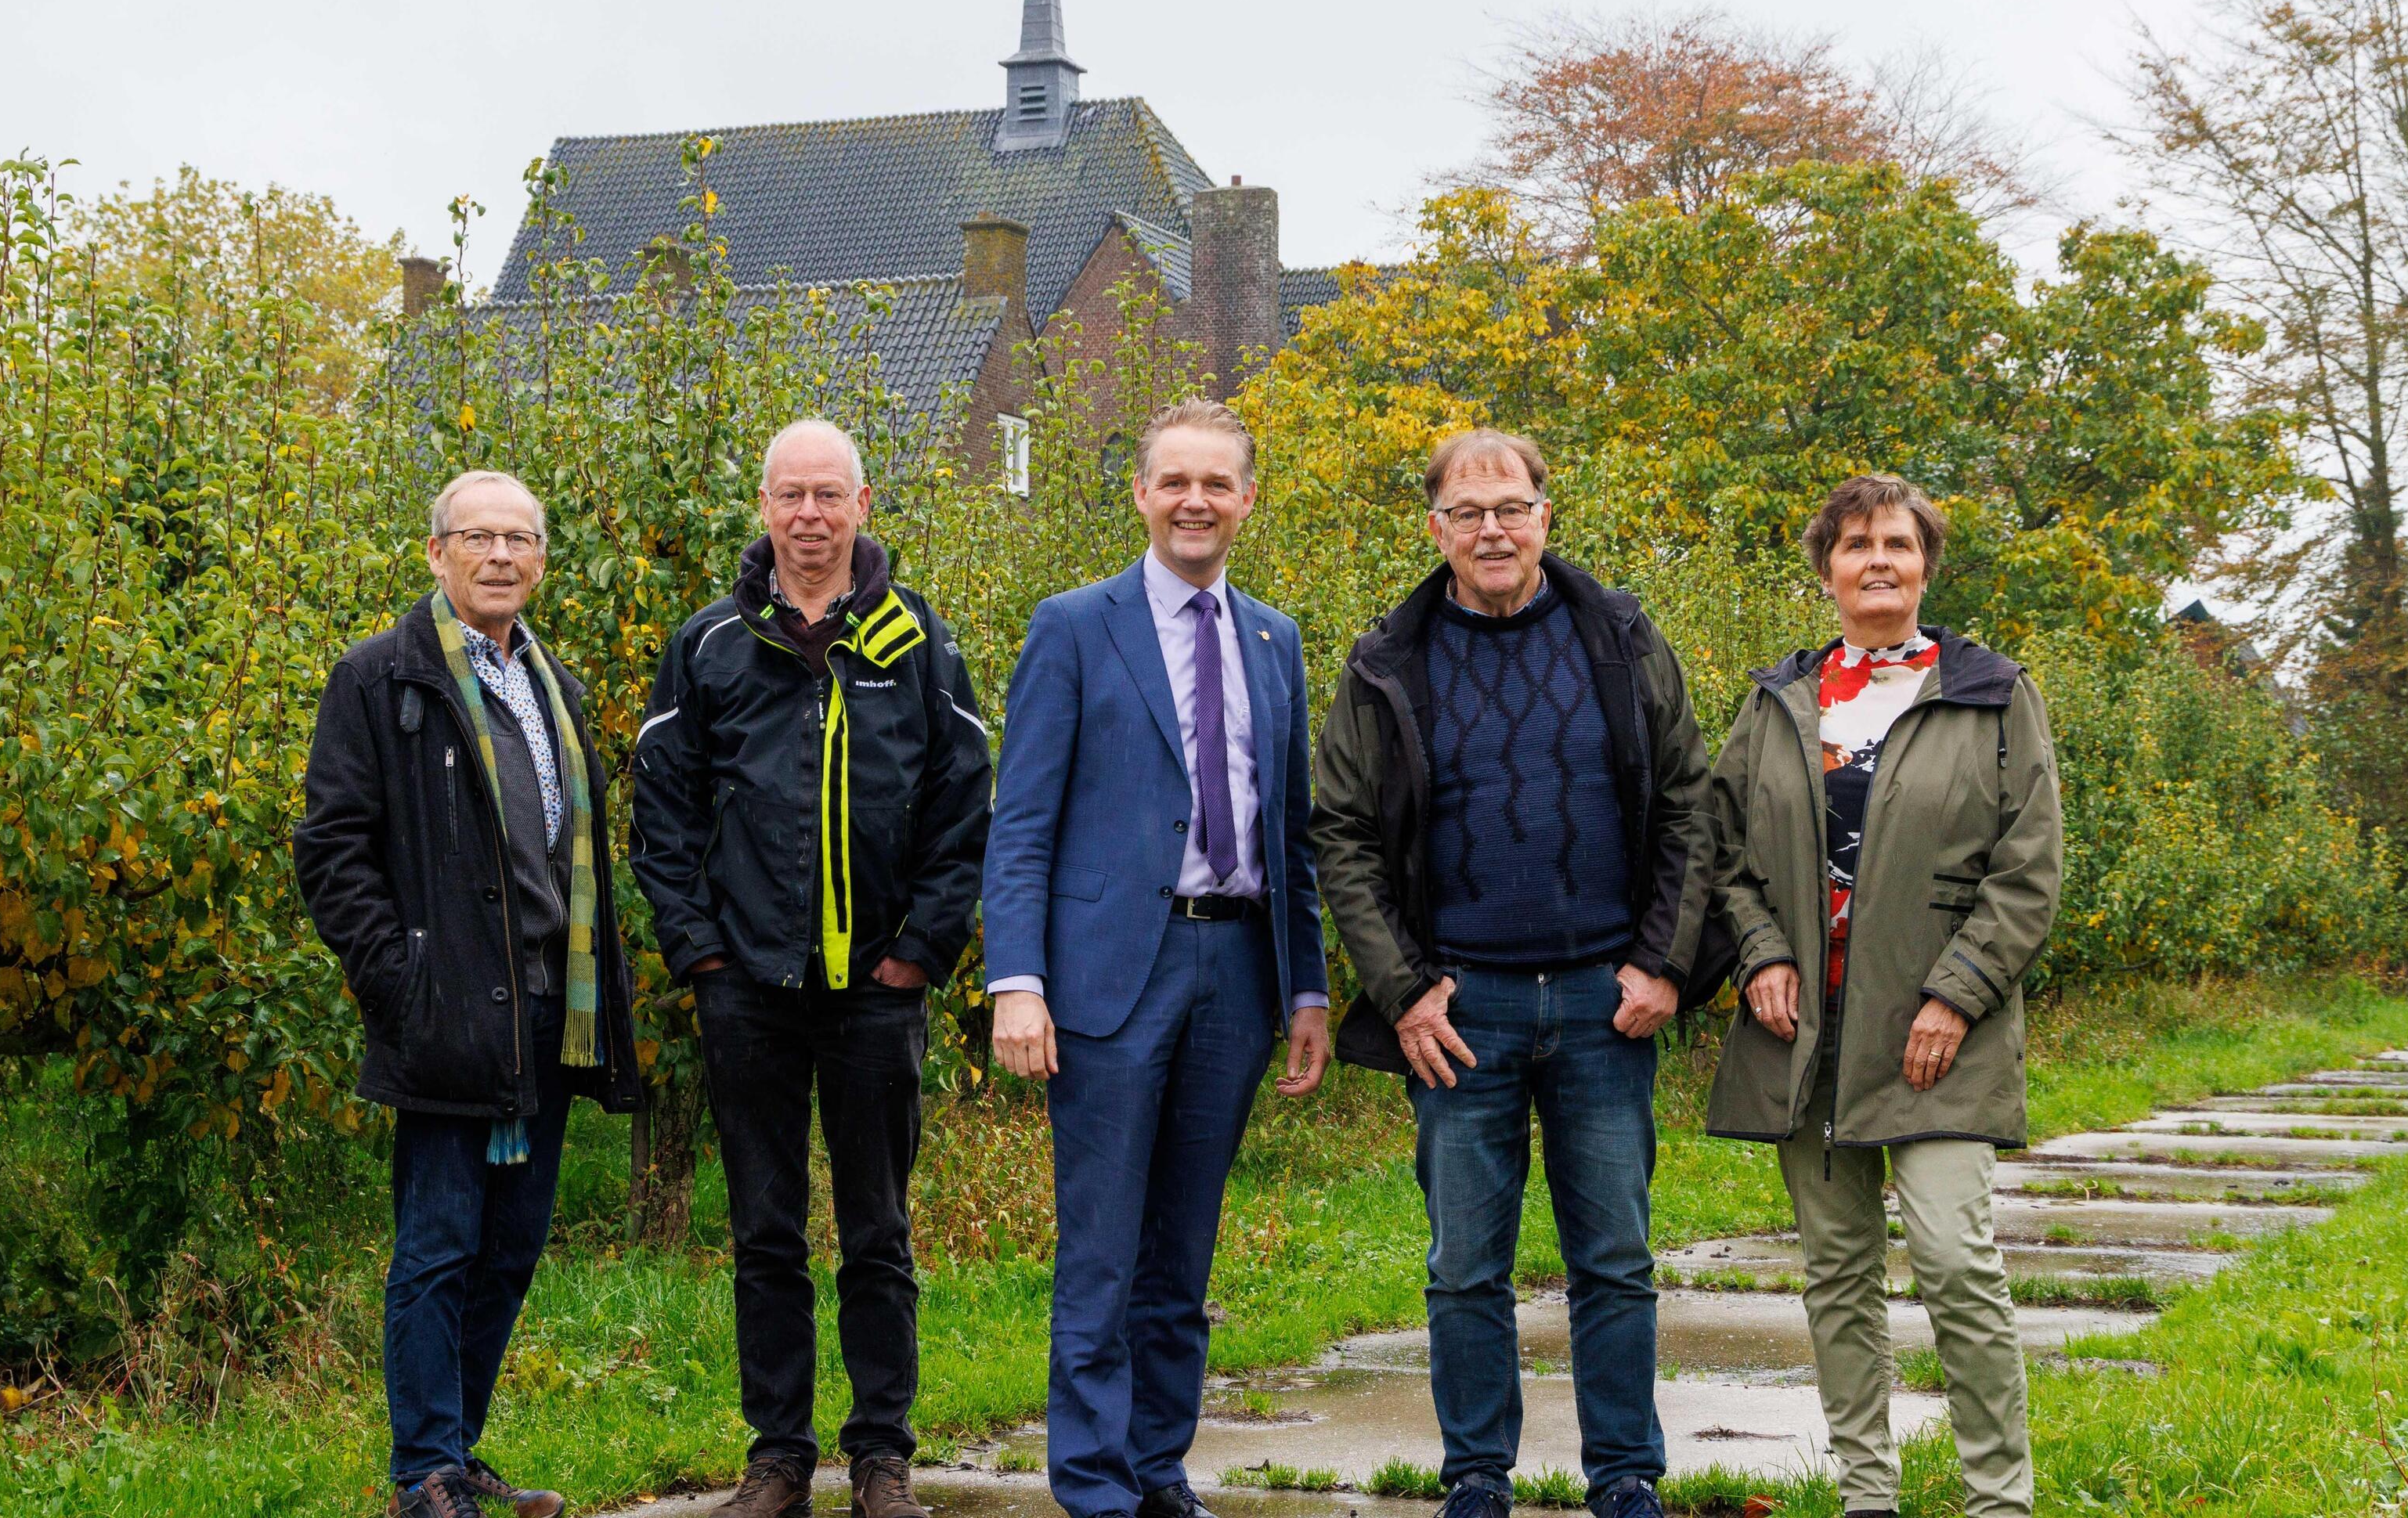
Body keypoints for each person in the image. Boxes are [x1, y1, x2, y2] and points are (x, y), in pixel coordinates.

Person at [1309, 429, 1709, 1518]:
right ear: (1435, 528)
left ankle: (1624, 1474)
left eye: (1513, 507)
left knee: (1617, 1259)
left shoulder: (1620, 638)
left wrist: (1665, 963)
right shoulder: (1390, 658)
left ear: (1546, 516)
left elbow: (1687, 802)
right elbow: (1340, 832)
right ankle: (1476, 1477)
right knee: (1464, 1268)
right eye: (1468, 511)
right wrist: (1401, 988)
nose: (1493, 528)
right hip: (1460, 1008)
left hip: (1603, 1002)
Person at [630, 420, 993, 1518]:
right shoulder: (709, 646)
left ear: (863, 505)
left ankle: (882, 1457)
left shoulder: (918, 641)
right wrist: (697, 950)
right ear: (765, 507)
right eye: (790, 495)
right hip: (749, 995)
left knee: (878, 1234)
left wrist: (921, 953)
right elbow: (662, 814)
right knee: (764, 1234)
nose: (809, 515)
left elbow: (962, 809)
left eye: (829, 494)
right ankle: (777, 1458)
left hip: (877, 997)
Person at [980, 398, 1332, 1518]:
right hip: (1105, 981)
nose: (1195, 502)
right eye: (1175, 481)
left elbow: (1294, 829)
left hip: (1236, 976)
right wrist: (1017, 981)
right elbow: (1022, 821)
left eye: (1217, 484)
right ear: (1139, 493)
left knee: (1182, 1253)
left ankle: (1154, 1467)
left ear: (1247, 500)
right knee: (1102, 1254)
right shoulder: (1075, 626)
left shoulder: (1275, 639)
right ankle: (1091, 1485)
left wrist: (1310, 985)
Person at [1699, 474, 2063, 1518]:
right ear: (1827, 571)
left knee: (1955, 1261)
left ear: (1925, 565)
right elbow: (1721, 852)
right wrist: (1758, 953)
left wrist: (1957, 995)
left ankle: (2001, 1500)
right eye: (1855, 545)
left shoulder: (1994, 694)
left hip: (1940, 1034)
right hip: (1805, 1033)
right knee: (1839, 1275)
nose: (1877, 561)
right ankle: (1869, 1496)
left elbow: (2028, 868)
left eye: (1897, 544)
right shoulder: (1777, 704)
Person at [296, 469, 641, 1518]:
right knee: (438, 1246)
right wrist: (397, 981)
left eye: (521, 539)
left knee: (508, 1249)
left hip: (547, 1011)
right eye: (479, 537)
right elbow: (331, 849)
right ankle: (423, 1473)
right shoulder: (381, 680)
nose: (501, 556)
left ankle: (459, 1450)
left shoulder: (554, 685)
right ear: (435, 552)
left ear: (541, 558)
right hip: (446, 1012)